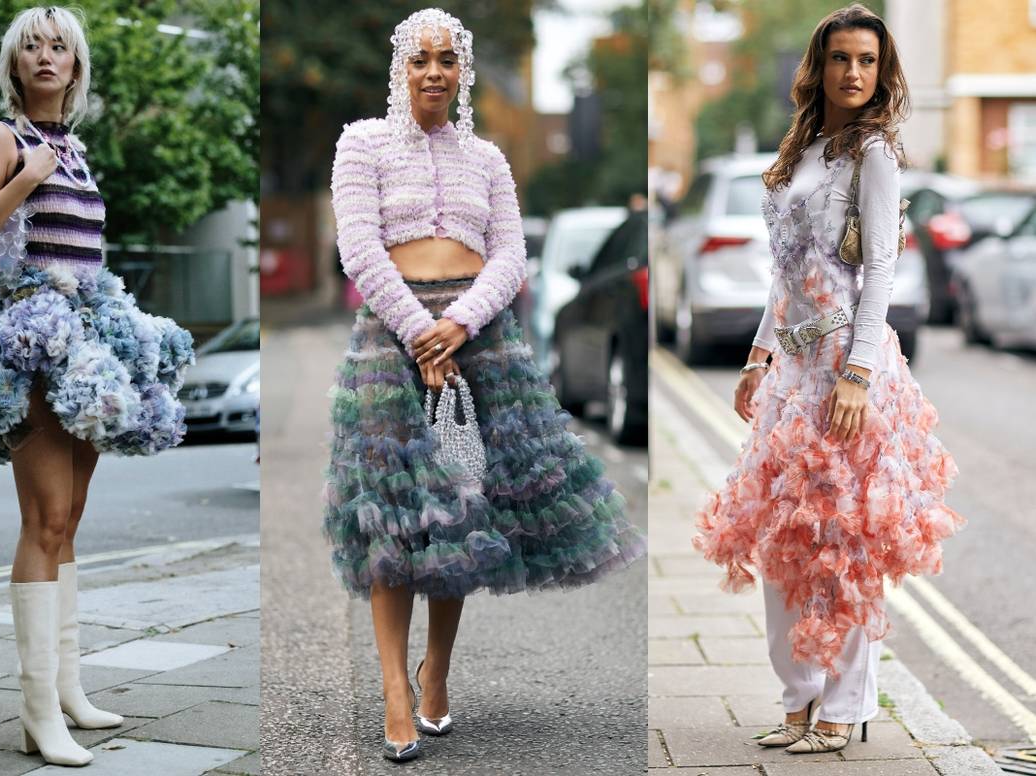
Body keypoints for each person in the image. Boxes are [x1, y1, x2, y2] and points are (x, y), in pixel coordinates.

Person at [322, 7, 647, 763]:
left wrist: (460, 325)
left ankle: (436, 670)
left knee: (460, 509)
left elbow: (512, 255)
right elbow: (358, 246)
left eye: (446, 59)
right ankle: (395, 690)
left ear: (461, 71)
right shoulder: (359, 144)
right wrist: (419, 332)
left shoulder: (489, 158)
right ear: (399, 68)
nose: (433, 71)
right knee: (393, 520)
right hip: (391, 340)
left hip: (480, 340)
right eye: (419, 59)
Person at [0, 6, 194, 767]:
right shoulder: (2, 140)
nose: (47, 57)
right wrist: (24, 181)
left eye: (60, 48)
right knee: (44, 517)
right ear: (15, 66)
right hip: (28, 339)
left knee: (69, 517)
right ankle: (38, 714)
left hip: (85, 341)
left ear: (75, 68)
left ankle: (68, 689)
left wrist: (51, 171)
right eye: (33, 47)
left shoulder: (71, 146)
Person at [694, 3, 964, 755]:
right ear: (819, 67)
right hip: (791, 376)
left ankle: (847, 704)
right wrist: (758, 357)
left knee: (844, 546)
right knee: (784, 543)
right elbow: (786, 277)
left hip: (848, 372)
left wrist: (858, 373)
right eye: (842, 58)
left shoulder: (873, 152)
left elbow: (880, 268)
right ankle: (799, 699)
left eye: (867, 61)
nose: (854, 73)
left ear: (882, 72)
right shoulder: (802, 150)